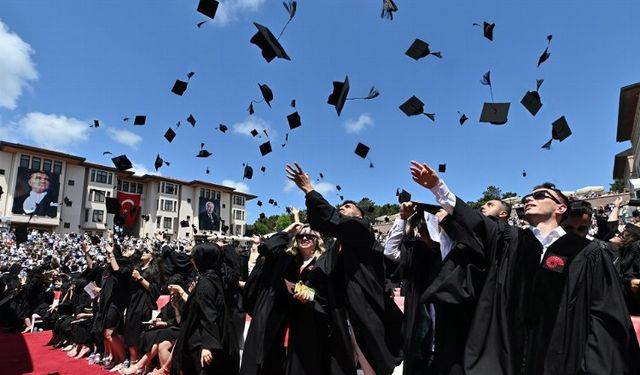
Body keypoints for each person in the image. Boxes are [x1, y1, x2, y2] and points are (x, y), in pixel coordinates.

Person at [409, 160, 640, 375]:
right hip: (509, 353)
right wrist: (438, 188)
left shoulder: (587, 252)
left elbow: (604, 312)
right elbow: (478, 224)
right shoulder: (512, 240)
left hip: (560, 357)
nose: (530, 198)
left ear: (560, 208)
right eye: (528, 196)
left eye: (540, 196)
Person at [286, 162, 403, 375]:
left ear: (359, 216)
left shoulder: (362, 231)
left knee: (371, 361)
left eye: (347, 207)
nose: (342, 209)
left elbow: (334, 220)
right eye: (341, 207)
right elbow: (319, 281)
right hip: (340, 317)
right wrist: (303, 292)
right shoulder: (333, 248)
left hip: (363, 311)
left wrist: (309, 189)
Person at [241, 222, 334, 375]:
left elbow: (328, 291)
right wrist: (288, 230)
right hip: (283, 320)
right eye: (300, 236)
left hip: (310, 321)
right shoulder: (289, 260)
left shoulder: (324, 262)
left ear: (317, 239)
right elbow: (267, 248)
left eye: (309, 236)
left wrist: (310, 295)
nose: (305, 238)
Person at [172, 242, 241, 375]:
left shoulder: (206, 282)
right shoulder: (215, 276)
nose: (192, 260)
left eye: (195, 257)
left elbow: (209, 314)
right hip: (215, 336)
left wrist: (208, 345)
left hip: (202, 339)